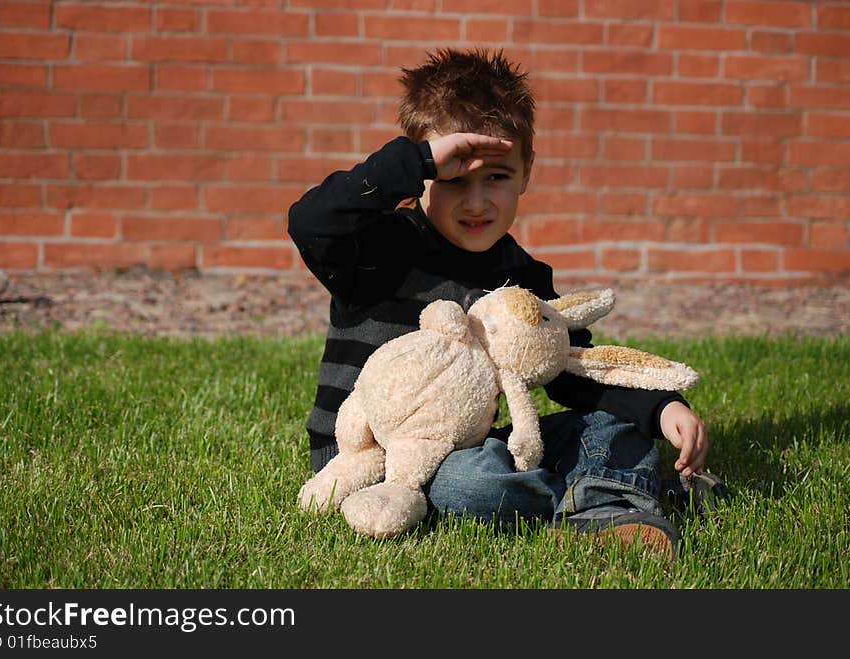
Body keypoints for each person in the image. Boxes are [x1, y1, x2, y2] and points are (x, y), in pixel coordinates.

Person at [287, 48, 709, 561]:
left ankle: (608, 515)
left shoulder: (523, 277)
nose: (477, 202)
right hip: (371, 461)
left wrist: (661, 408)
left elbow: (572, 369)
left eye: (497, 177)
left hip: (468, 445)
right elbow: (311, 221)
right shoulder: (379, 249)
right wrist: (415, 161)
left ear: (526, 172)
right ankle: (602, 492)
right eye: (453, 179)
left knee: (606, 427)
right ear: (424, 176)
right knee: (466, 485)